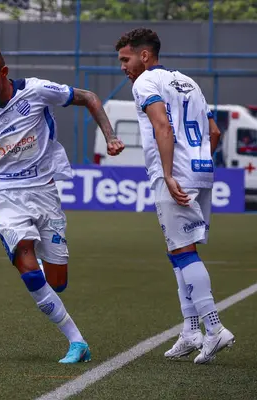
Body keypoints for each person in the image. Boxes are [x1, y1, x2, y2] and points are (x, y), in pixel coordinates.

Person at [0, 45, 125, 363]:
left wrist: (110, 136)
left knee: (57, 281)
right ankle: (77, 342)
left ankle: (43, 273)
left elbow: (89, 97)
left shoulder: (36, 91)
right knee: (25, 261)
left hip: (45, 192)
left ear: (3, 72)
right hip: (7, 195)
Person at [115, 28, 234, 364]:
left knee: (183, 251)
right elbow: (214, 132)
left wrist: (169, 173)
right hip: (201, 169)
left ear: (144, 55)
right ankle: (190, 329)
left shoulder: (144, 83)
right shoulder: (189, 82)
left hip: (176, 173)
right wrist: (198, 162)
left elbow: (162, 127)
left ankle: (214, 329)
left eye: (126, 59)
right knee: (179, 250)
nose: (123, 67)